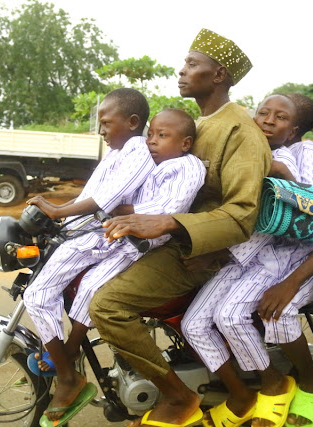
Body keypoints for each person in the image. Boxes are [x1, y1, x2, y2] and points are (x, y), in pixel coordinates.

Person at [90, 28, 271, 427]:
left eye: (192, 64)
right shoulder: (197, 123)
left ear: (219, 74)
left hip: (197, 250)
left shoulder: (241, 130)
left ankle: (177, 397)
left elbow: (242, 212)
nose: (182, 71)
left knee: (107, 306)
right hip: (171, 238)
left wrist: (168, 222)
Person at [23, 106, 206, 423]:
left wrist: (75, 211)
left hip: (138, 241)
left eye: (162, 136)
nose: (152, 141)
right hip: (120, 235)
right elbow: (99, 194)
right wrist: (67, 210)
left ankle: (69, 366)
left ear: (186, 143)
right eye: (151, 134)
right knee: (90, 288)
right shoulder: (145, 159)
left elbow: (164, 209)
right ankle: (69, 357)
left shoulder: (184, 165)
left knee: (50, 295)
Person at [181, 94, 313, 427]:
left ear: (294, 131)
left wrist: (279, 172)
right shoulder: (253, 151)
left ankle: (282, 382)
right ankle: (241, 391)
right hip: (249, 255)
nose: (266, 120)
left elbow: (311, 207)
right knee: (192, 325)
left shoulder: (301, 153)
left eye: (279, 117)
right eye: (262, 112)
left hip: (290, 256)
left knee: (232, 315)